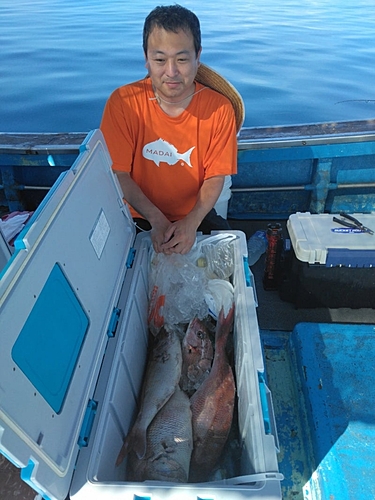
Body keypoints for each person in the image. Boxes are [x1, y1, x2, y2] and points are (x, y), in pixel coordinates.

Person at [100, 4, 244, 254]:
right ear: (146, 58)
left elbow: (215, 176)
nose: (171, 72)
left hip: (195, 215)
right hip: (136, 215)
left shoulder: (219, 108)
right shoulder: (123, 103)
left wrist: (191, 223)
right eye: (159, 59)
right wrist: (156, 220)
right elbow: (119, 175)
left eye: (182, 59)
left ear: (198, 57)